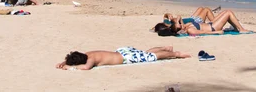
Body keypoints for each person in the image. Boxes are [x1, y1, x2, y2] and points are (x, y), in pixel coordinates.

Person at [56, 46, 191, 70]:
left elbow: (85, 68)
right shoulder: (88, 53)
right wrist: (64, 61)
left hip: (126, 57)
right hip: (122, 51)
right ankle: (165, 48)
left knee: (151, 57)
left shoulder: (90, 60)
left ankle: (176, 54)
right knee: (145, 53)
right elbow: (76, 57)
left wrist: (68, 67)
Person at [154, 10, 249, 36]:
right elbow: (204, 33)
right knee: (228, 13)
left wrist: (181, 23)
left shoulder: (186, 27)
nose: (181, 25)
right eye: (180, 25)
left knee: (226, 11)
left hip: (211, 24)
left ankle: (238, 28)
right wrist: (216, 32)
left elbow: (179, 17)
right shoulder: (190, 30)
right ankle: (241, 30)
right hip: (213, 28)